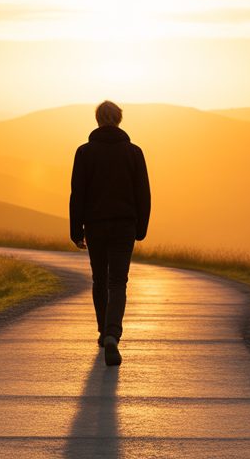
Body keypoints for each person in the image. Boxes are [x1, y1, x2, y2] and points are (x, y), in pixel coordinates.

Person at [69, 100, 151, 367]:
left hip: (95, 225)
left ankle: (104, 333)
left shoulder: (84, 152)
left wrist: (76, 230)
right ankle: (113, 333)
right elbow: (143, 194)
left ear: (97, 120)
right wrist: (141, 228)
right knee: (118, 281)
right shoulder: (134, 152)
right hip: (125, 225)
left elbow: (77, 194)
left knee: (99, 279)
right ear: (119, 119)